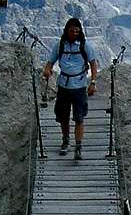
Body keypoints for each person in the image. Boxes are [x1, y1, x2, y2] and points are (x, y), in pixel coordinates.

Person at [42, 17, 99, 161]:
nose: (74, 34)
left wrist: (93, 82)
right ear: (67, 31)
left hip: (79, 86)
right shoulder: (60, 45)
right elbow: (50, 61)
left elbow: (93, 64)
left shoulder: (85, 46)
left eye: (76, 32)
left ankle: (78, 146)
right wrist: (47, 70)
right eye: (71, 31)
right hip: (63, 86)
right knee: (63, 116)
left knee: (79, 117)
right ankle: (66, 140)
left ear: (80, 32)